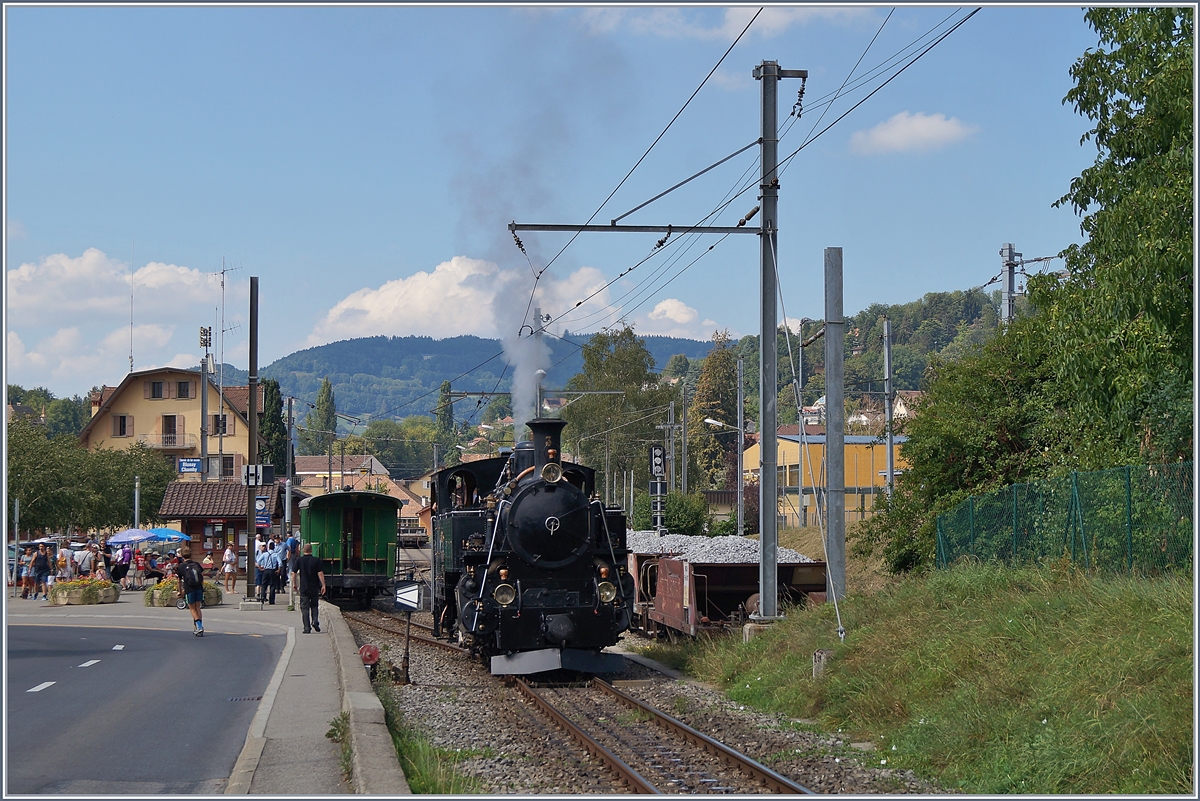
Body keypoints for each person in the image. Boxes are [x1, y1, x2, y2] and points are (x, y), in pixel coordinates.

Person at [295, 543, 326, 634]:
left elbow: (293, 572)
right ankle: (315, 621)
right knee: (314, 606)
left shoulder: (299, 560)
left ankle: (306, 628)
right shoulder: (316, 560)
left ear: (303, 550)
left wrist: (294, 584)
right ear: (311, 550)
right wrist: (323, 585)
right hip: (314, 587)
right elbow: (320, 573)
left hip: (304, 588)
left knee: (305, 608)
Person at [176, 545, 206, 636]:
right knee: (198, 608)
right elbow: (202, 576)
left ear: (181, 555)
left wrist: (180, 591)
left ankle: (199, 627)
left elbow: (179, 580)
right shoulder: (196, 564)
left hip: (189, 589)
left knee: (192, 609)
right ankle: (198, 627)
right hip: (198, 588)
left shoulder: (181, 566)